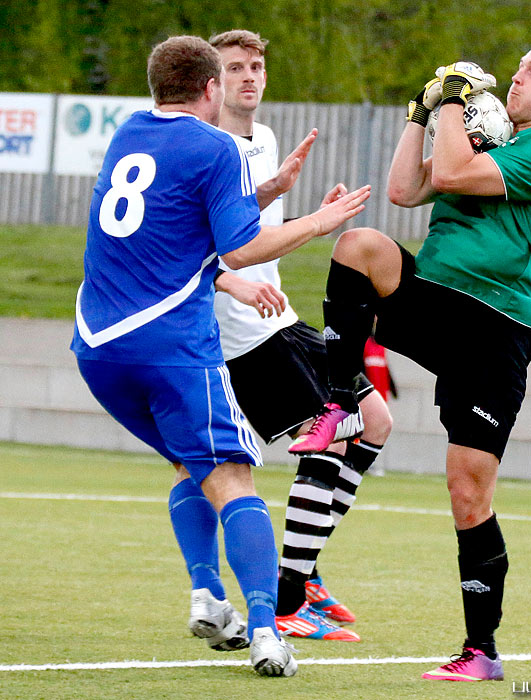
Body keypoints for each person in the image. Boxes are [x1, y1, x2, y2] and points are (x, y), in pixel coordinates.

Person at [291, 32, 531, 681]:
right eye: (518, 69)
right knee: (361, 245)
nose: (517, 79)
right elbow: (406, 189)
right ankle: (340, 401)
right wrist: (420, 112)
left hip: (496, 331)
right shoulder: (492, 140)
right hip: (441, 304)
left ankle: (480, 651)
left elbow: (455, 173)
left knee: (468, 492)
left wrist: (454, 103)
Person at [70, 35, 370, 677]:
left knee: (191, 465)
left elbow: (185, 221)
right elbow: (238, 253)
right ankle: (268, 631)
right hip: (171, 346)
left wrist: (265, 193)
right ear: (212, 88)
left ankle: (209, 597)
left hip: (97, 349)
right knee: (234, 477)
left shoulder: (129, 132)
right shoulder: (219, 146)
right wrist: (322, 221)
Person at [206, 29, 393, 642]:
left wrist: (301, 208)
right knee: (332, 434)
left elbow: (256, 234)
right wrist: (318, 224)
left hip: (279, 320)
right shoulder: (205, 147)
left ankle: (304, 574)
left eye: (256, 66)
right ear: (213, 80)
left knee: (375, 419)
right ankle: (288, 601)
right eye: (235, 68)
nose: (249, 77)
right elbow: (197, 247)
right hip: (242, 335)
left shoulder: (263, 140)